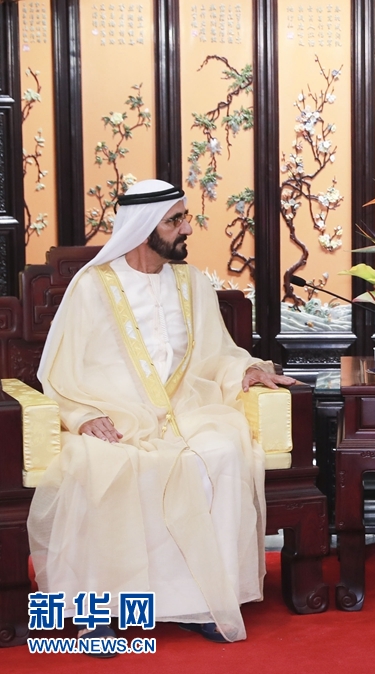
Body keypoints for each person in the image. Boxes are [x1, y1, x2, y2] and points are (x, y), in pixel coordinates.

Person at [27, 179, 297, 647]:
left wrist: (248, 371)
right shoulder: (92, 287)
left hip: (187, 411)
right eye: (176, 221)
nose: (187, 229)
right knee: (107, 462)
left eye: (184, 218)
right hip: (114, 415)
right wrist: (83, 414)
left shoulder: (192, 284)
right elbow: (60, 371)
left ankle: (201, 601)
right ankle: (100, 609)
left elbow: (216, 354)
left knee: (223, 450)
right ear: (145, 226)